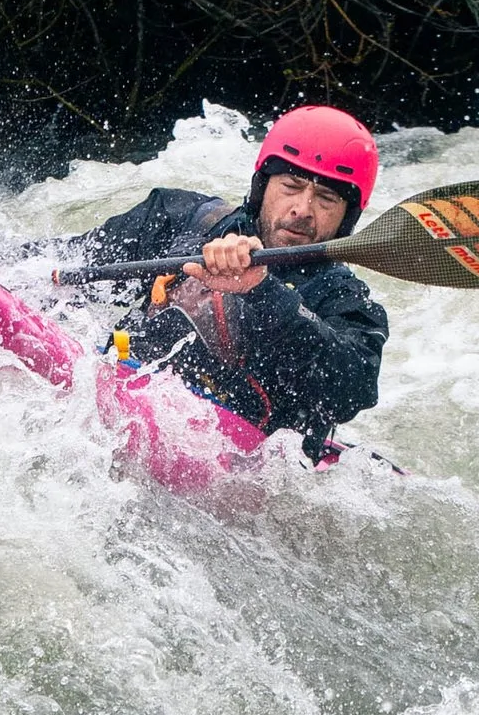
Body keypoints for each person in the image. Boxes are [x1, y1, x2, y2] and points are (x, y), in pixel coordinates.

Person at [66, 106, 388, 458]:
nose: (303, 209)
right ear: (262, 187)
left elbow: (352, 392)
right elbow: (64, 264)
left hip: (239, 464)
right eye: (291, 186)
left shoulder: (345, 298)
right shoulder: (181, 219)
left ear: (347, 216)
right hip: (128, 390)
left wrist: (262, 291)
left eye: (326, 198)